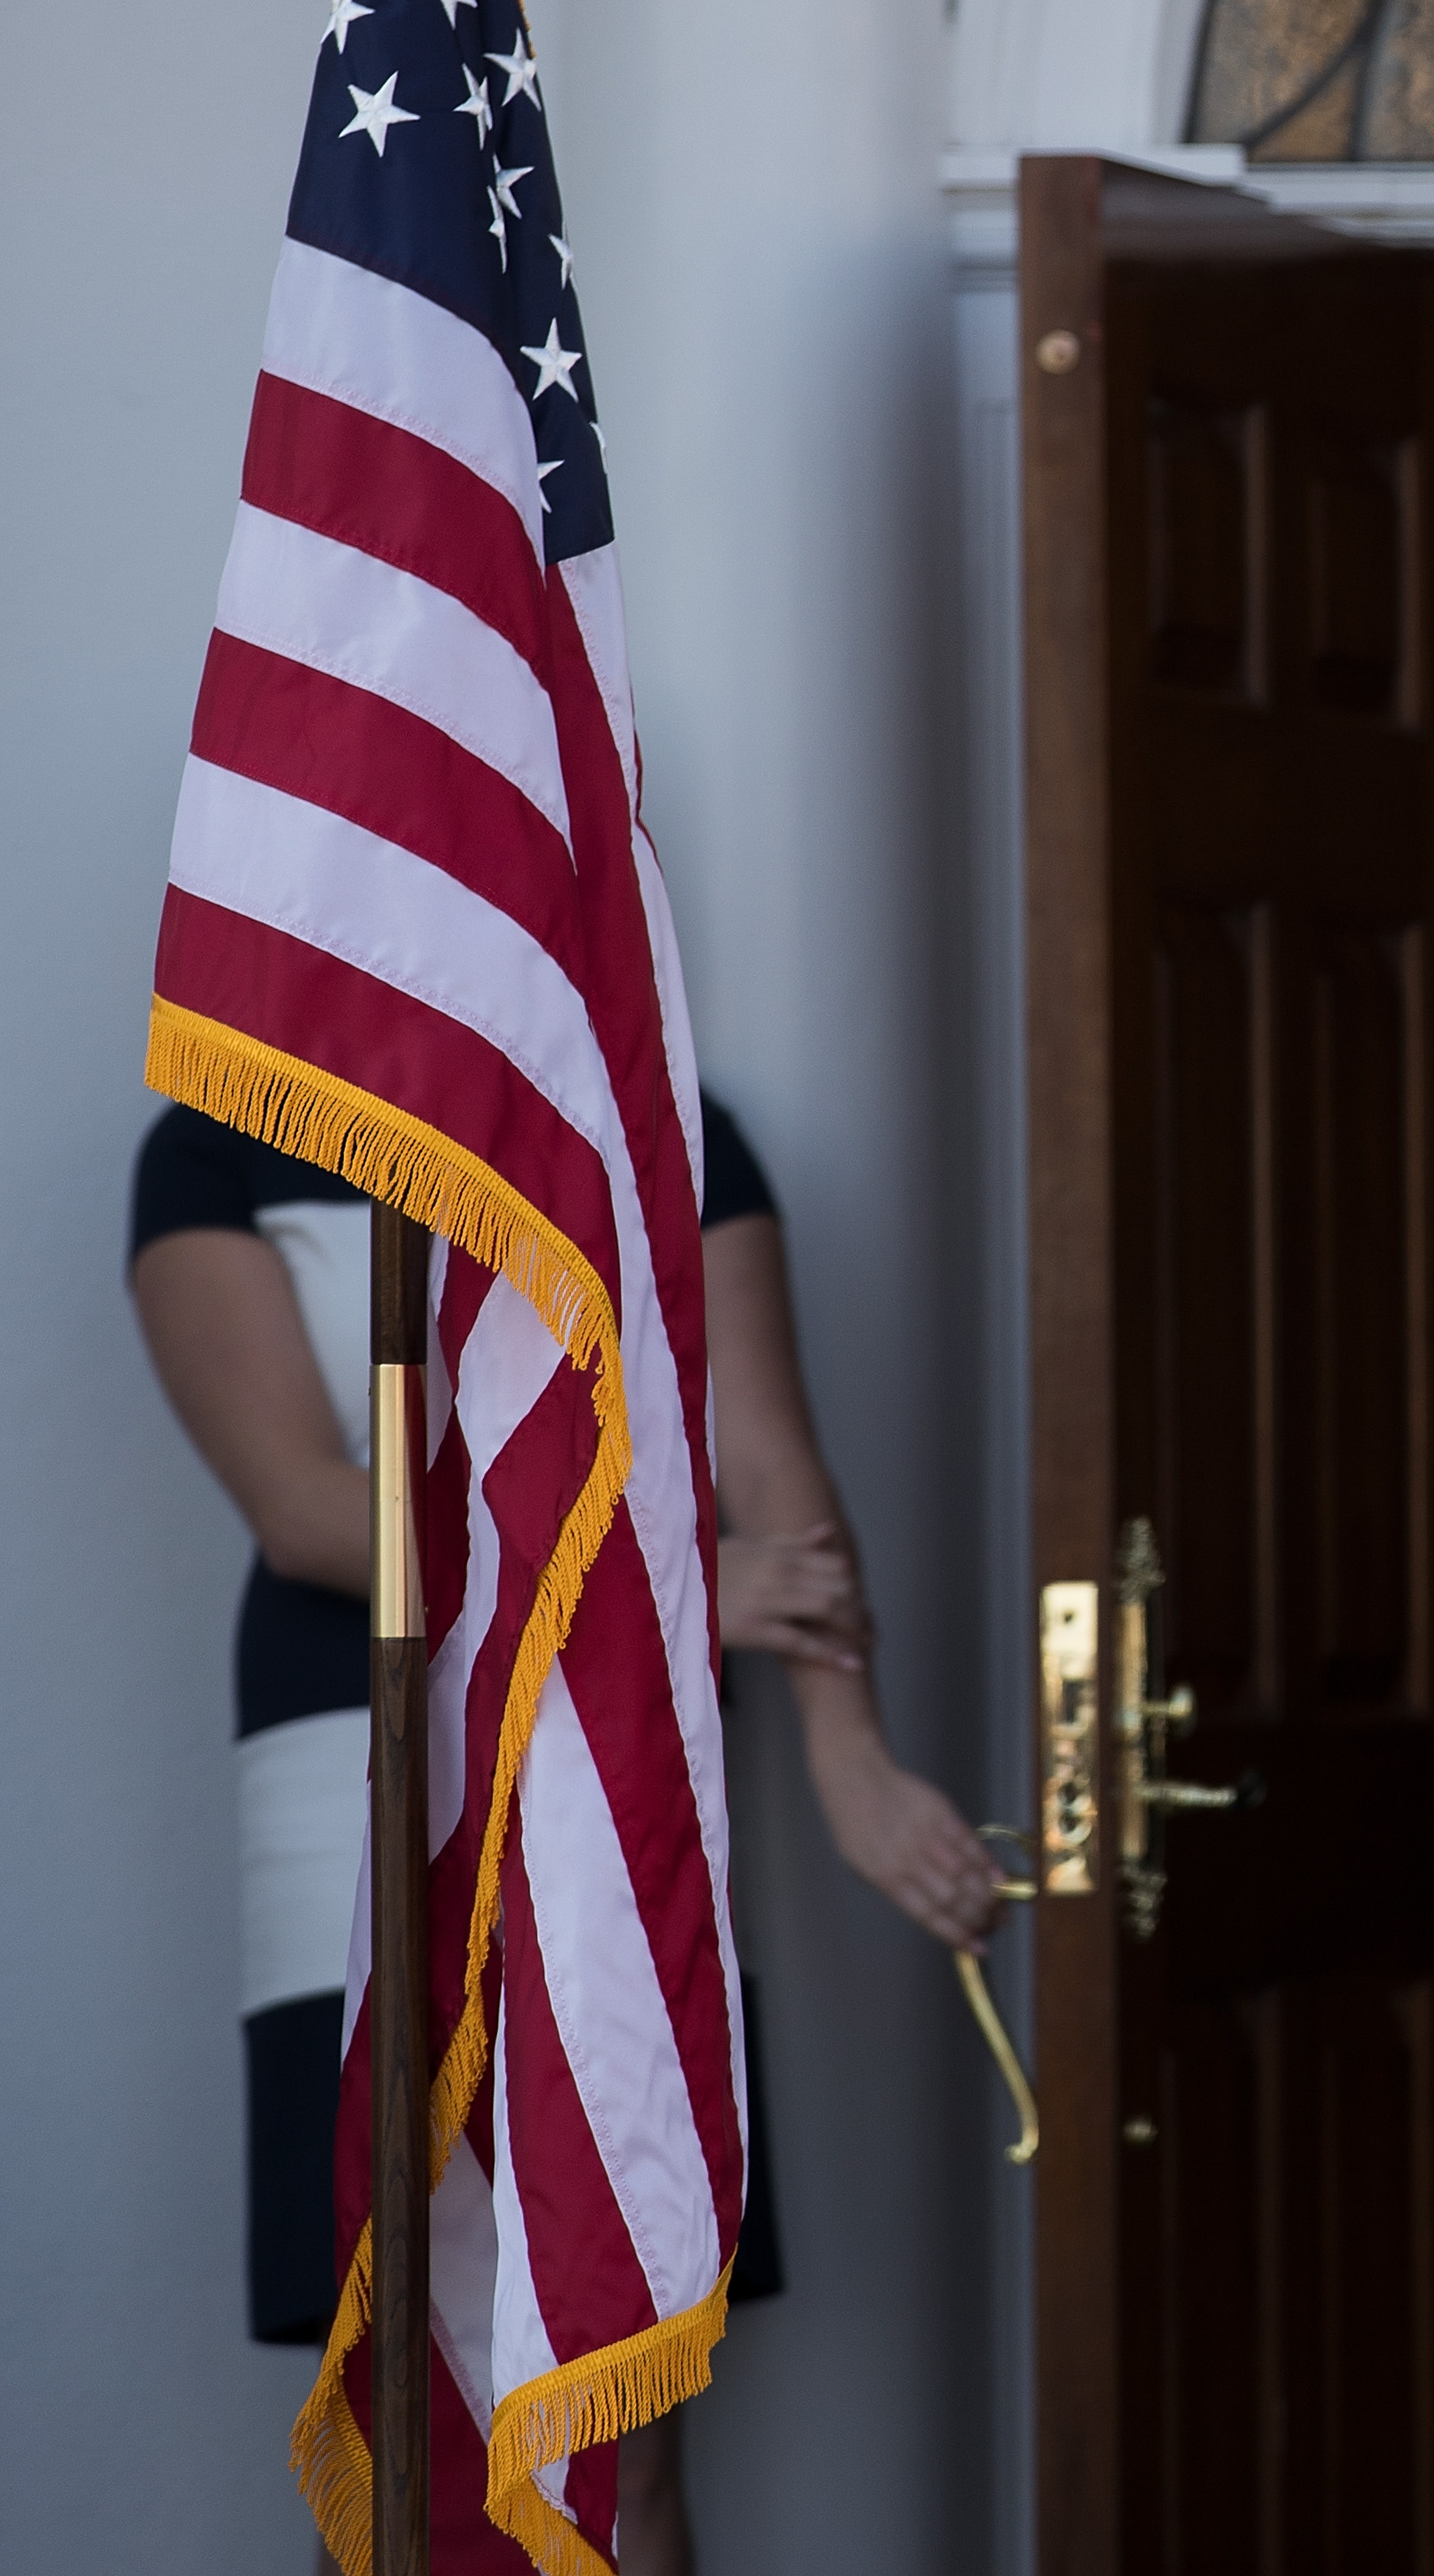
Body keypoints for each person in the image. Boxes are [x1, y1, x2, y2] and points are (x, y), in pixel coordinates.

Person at [132, 1096, 1004, 2573]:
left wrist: (851, 1753)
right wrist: (665, 1582)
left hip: (617, 1775)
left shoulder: (663, 1110)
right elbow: (306, 1512)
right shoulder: (221, 1135)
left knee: (621, 2420)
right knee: (410, 2409)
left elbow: (776, 1481)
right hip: (356, 1783)